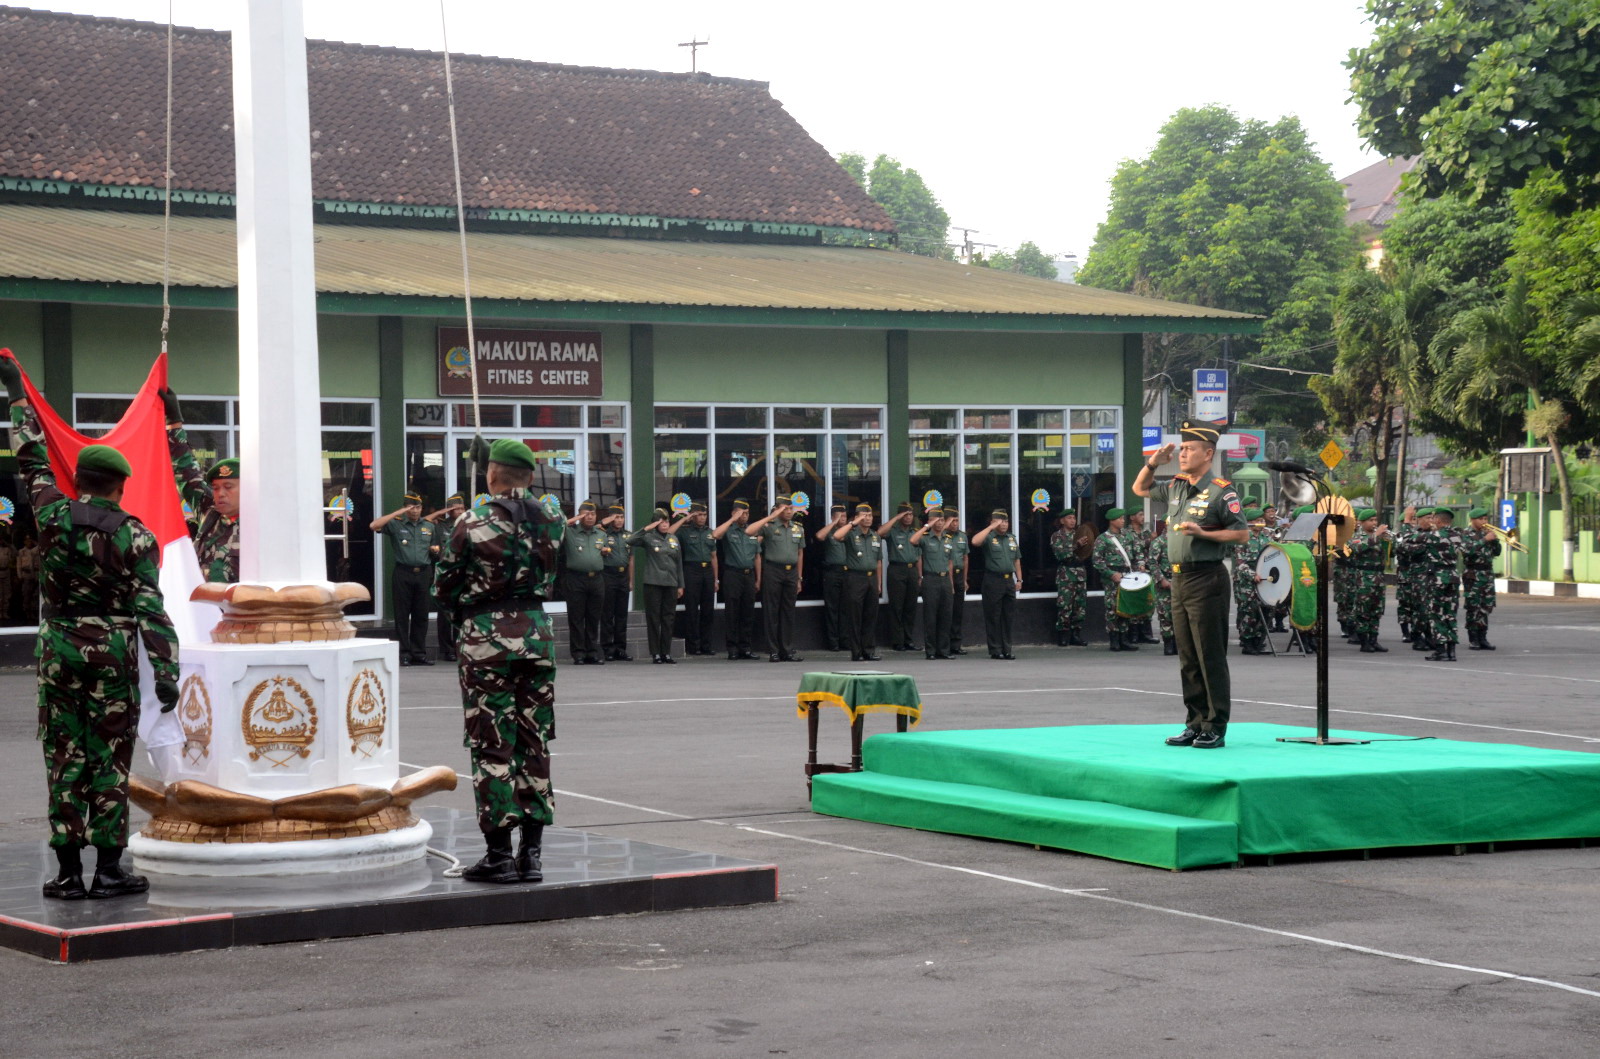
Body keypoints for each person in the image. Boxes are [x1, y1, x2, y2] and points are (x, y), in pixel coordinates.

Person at [3, 359, 179, 900]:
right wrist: (166, 673)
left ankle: (66, 872)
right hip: (112, 653)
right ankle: (108, 869)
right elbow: (151, 608)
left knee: (63, 754)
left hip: (59, 650)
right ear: (121, 487)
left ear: (77, 481)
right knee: (108, 756)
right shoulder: (136, 536)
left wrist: (13, 390)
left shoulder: (52, 516)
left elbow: (31, 456)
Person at [434, 437, 564, 883]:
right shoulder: (554, 519)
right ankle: (532, 855)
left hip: (486, 638)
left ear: (491, 474)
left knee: (493, 744)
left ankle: (498, 854)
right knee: (534, 740)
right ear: (529, 475)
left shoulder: (471, 521)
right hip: (537, 635)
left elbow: (445, 587)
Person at [1133, 423, 1249, 750]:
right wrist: (1153, 462)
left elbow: (1241, 534)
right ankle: (1194, 722)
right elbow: (1140, 489)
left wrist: (1204, 534)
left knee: (1208, 653)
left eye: (1190, 449)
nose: (1183, 454)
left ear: (1208, 453)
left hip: (1207, 577)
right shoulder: (1177, 485)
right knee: (1187, 655)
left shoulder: (1221, 491)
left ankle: (1215, 725)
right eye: (1182, 448)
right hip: (1179, 579)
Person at [160, 387, 240, 583]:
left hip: (237, 612)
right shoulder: (209, 513)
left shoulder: (261, 525)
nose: (220, 493)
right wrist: (174, 423)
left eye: (228, 487)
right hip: (202, 609)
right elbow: (187, 473)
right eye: (215, 487)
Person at [371, 492, 438, 666]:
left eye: (418, 507)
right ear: (405, 508)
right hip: (403, 573)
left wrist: (435, 549)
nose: (415, 511)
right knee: (402, 615)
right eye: (411, 507)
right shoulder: (396, 524)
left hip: (423, 573)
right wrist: (398, 512)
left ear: (422, 508)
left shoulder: (429, 526)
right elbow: (374, 525)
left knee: (421, 615)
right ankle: (404, 653)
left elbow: (434, 545)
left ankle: (419, 653)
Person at [1401, 506, 1465, 662]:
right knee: (1450, 614)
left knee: (1436, 614)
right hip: (1453, 577)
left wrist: (1407, 521)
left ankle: (1441, 650)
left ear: (1438, 520)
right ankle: (1451, 651)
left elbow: (1407, 537)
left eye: (1433, 518)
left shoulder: (1433, 536)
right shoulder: (1457, 535)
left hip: (1437, 577)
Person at [747, 495, 804, 662]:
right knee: (772, 611)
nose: (789, 511)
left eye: (791, 508)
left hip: (791, 572)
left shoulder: (798, 528)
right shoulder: (769, 526)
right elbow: (749, 531)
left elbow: (800, 554)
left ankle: (787, 650)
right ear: (778, 509)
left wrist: (799, 577)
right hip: (773, 570)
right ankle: (773, 650)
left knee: (788, 612)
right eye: (785, 509)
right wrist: (771, 516)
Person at [629, 508, 685, 664]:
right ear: (655, 523)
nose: (665, 524)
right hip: (653, 583)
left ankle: (666, 652)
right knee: (654, 619)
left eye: (667, 521)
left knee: (668, 619)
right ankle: (656, 653)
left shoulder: (673, 539)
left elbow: (678, 563)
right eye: (661, 521)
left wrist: (680, 585)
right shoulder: (648, 537)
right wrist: (648, 527)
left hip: (671, 583)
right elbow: (630, 540)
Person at [559, 499, 608, 665]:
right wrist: (575, 518)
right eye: (586, 514)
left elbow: (605, 551)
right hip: (576, 579)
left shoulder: (601, 534)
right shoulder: (570, 532)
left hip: (596, 579)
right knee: (577, 617)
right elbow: (557, 525)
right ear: (580, 516)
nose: (590, 517)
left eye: (592, 514)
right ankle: (578, 653)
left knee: (594, 617)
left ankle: (592, 652)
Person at [834, 503, 883, 661]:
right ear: (857, 517)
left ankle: (868, 650)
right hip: (855, 577)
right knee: (855, 616)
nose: (867, 518)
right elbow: (837, 536)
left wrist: (879, 583)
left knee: (870, 616)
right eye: (864, 515)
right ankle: (856, 652)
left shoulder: (875, 536)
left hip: (872, 578)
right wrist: (852, 523)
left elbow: (879, 562)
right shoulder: (851, 533)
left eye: (870, 516)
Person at [971, 509, 1020, 660]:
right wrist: (991, 527)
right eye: (1000, 521)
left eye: (1006, 521)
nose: (1004, 524)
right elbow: (975, 542)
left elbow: (1017, 560)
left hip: (1008, 581)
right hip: (993, 580)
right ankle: (995, 649)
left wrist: (1019, 579)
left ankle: (1007, 649)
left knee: (1008, 616)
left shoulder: (1011, 538)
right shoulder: (989, 536)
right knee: (993, 616)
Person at [714, 499, 761, 660]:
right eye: (742, 513)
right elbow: (716, 534)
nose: (745, 516)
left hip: (749, 575)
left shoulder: (751, 531)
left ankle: (745, 647)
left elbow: (757, 556)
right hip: (732, 574)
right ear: (734, 513)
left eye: (747, 513)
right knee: (732, 612)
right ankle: (732, 648)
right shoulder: (729, 529)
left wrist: (758, 579)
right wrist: (732, 519)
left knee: (747, 612)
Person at [1093, 508, 1140, 652]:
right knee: (1112, 609)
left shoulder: (1127, 536)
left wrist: (1139, 567)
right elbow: (1097, 560)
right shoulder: (1103, 538)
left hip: (1127, 576)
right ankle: (1114, 639)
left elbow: (1135, 554)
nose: (1123, 520)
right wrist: (1110, 573)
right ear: (1112, 521)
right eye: (1120, 519)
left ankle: (1124, 639)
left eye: (1123, 518)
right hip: (1112, 578)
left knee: (1125, 607)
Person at [428, 493, 468, 660]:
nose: (460, 511)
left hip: (463, 574)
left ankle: (460, 647)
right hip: (445, 574)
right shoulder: (440, 526)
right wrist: (444, 511)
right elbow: (426, 521)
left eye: (462, 508)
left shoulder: (468, 526)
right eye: (456, 509)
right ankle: (447, 649)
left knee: (462, 612)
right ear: (450, 511)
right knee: (444, 614)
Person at [1346, 508, 1391, 653]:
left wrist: (1389, 541)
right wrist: (1376, 536)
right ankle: (1364, 641)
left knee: (1376, 610)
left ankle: (1374, 639)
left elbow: (1391, 553)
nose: (1374, 523)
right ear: (1361, 522)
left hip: (1379, 577)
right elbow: (1357, 548)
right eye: (1371, 520)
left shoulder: (1378, 536)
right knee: (1363, 610)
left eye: (1375, 520)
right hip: (1364, 577)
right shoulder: (1356, 536)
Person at [911, 508, 954, 659]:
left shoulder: (948, 539)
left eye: (942, 520)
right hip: (930, 579)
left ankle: (944, 650)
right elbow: (912, 540)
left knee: (946, 616)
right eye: (937, 520)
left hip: (945, 580)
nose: (940, 523)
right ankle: (930, 651)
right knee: (930, 616)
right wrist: (927, 526)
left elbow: (950, 563)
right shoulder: (925, 537)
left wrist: (951, 584)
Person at [677, 502, 718, 656]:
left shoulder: (710, 532)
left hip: (707, 570)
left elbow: (714, 557)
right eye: (699, 515)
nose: (702, 518)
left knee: (708, 610)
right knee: (692, 609)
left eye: (704, 515)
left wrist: (716, 579)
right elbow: (670, 532)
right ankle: (693, 646)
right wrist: (685, 519)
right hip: (691, 569)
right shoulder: (684, 532)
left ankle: (706, 645)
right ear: (693, 515)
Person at [877, 501, 919, 652]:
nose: (908, 517)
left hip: (912, 570)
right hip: (897, 569)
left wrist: (919, 575)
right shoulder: (893, 531)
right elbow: (880, 533)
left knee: (910, 607)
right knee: (897, 606)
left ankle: (908, 640)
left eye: (910, 514)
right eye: (905, 514)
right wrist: (896, 518)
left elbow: (918, 555)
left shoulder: (915, 532)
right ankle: (897, 641)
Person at [1463, 507, 1502, 650]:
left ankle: (1483, 637)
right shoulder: (1466, 533)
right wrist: (1484, 540)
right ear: (1473, 520)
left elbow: (1497, 552)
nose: (1484, 522)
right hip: (1473, 574)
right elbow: (1467, 552)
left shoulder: (1487, 533)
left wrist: (1495, 541)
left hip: (1487, 574)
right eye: (1481, 519)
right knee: (1473, 607)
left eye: (1486, 519)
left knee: (1486, 606)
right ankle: (1473, 639)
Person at [1232, 509, 1269, 655]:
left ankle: (1259, 641)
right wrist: (1252, 574)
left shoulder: (1266, 538)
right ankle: (1247, 641)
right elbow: (1240, 562)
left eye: (1262, 520)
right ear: (1251, 522)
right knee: (1248, 611)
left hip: (1264, 580)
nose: (1261, 523)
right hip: (1246, 582)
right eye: (1258, 520)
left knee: (1264, 611)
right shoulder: (1243, 539)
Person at [1050, 510, 1089, 647]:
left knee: (1080, 606)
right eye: (1069, 518)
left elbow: (1087, 552)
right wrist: (1075, 546)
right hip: (1066, 573)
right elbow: (1061, 555)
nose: (1073, 520)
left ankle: (1076, 634)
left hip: (1080, 572)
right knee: (1065, 605)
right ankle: (1063, 634)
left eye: (1074, 518)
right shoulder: (1057, 536)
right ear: (1062, 521)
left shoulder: (1079, 534)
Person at [600, 503, 634, 661]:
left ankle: (621, 648)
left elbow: (631, 560)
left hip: (623, 576)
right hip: (608, 575)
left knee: (621, 614)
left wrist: (631, 580)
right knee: (608, 614)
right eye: (616, 517)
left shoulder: (628, 536)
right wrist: (608, 520)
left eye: (621, 517)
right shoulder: (603, 533)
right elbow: (598, 526)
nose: (619, 520)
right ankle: (607, 648)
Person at [816, 503, 850, 652]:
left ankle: (845, 640)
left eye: (845, 516)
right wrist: (834, 522)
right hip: (832, 572)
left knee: (846, 609)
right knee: (832, 609)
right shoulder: (829, 531)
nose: (843, 518)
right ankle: (833, 642)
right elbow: (819, 536)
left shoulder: (849, 531)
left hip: (848, 572)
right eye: (840, 516)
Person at [1124, 508, 1158, 644]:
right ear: (1132, 517)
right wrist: (1149, 541)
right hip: (1133, 570)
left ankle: (1146, 632)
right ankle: (1133, 633)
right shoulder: (1126, 533)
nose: (1143, 517)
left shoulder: (1147, 532)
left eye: (1143, 514)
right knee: (1134, 600)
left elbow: (1153, 549)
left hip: (1146, 570)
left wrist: (1153, 540)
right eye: (1140, 515)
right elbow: (1131, 549)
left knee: (1147, 600)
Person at [944, 507, 970, 655]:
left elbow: (965, 558)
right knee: (947, 610)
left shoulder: (962, 536)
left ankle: (956, 644)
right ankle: (944, 644)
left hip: (959, 575)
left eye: (957, 520)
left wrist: (965, 579)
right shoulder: (942, 536)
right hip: (946, 575)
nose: (955, 524)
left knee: (958, 611)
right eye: (952, 520)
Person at [1147, 524, 1177, 655]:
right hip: (1165, 584)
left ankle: (1178, 643)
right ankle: (1168, 643)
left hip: (1180, 582)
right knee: (1165, 614)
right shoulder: (1158, 542)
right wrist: (1161, 579)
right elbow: (1153, 563)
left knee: (1180, 615)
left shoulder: (1181, 539)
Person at [16, 535, 40, 620]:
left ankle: (34, 612)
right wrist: (19, 576)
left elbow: (39, 547)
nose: (29, 542)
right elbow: (18, 564)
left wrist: (35, 543)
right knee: (26, 594)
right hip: (26, 575)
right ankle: (27, 613)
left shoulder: (35, 550)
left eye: (30, 540)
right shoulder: (21, 551)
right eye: (27, 541)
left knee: (35, 595)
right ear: (24, 542)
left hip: (36, 574)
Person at [0, 533, 14, 621]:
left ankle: (4, 613)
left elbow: (15, 554)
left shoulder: (8, 549)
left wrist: (8, 545)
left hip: (6, 572)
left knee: (6, 594)